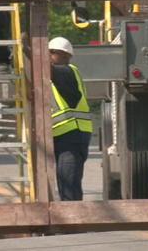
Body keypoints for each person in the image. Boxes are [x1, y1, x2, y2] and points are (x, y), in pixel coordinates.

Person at [49, 36, 93, 201]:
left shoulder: (67, 71)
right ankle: (68, 222)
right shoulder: (55, 77)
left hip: (73, 136)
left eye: (51, 53)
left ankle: (75, 222)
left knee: (69, 183)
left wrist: (28, 50)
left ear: (65, 56)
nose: (48, 56)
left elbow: (46, 67)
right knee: (64, 182)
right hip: (63, 136)